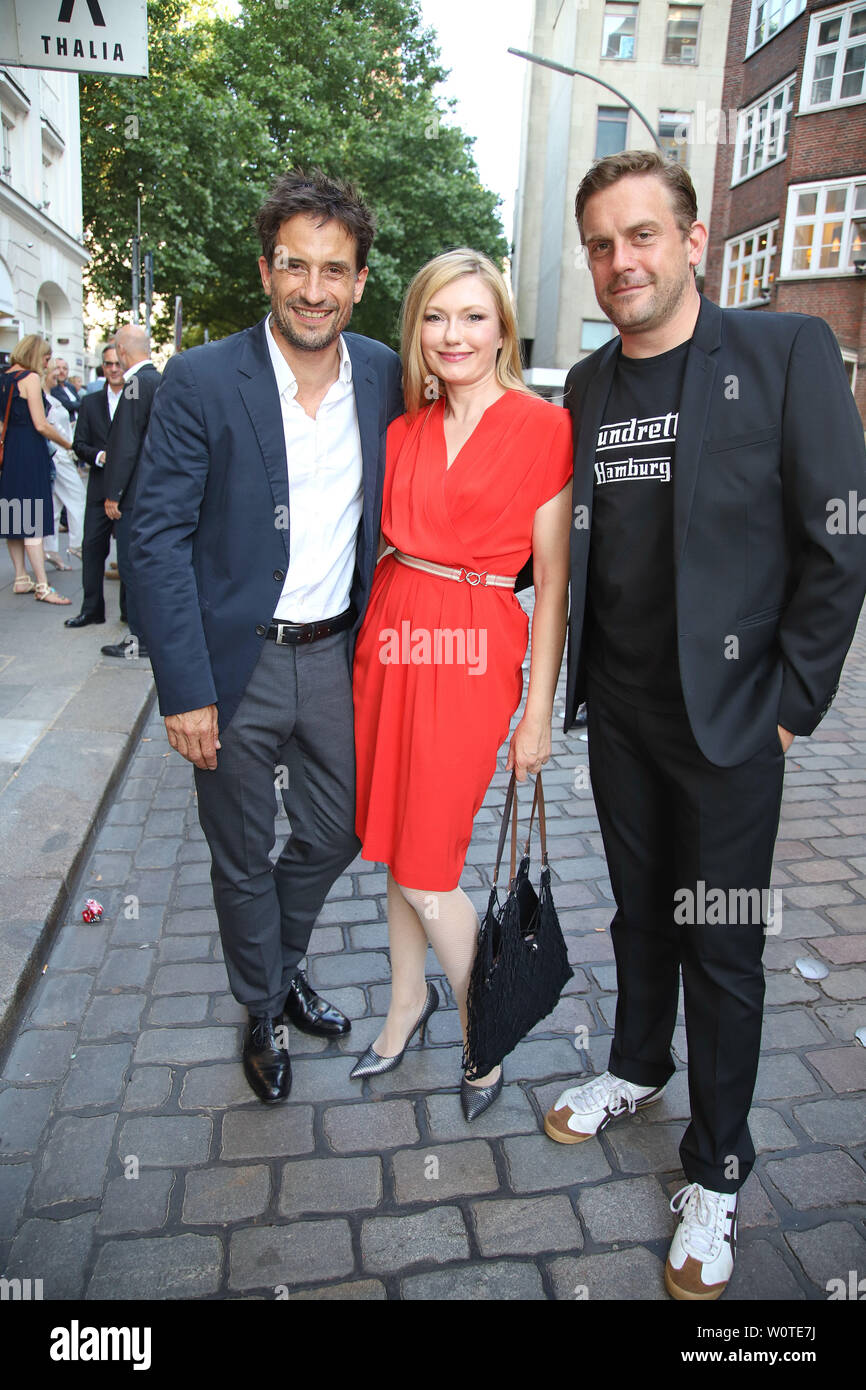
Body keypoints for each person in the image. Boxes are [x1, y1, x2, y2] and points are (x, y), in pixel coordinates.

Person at [545, 150, 866, 1300]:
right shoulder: (582, 388)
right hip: (622, 715)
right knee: (640, 910)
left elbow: (840, 536)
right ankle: (635, 1063)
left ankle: (716, 1170)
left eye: (640, 235)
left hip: (733, 724)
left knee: (719, 944)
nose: (618, 260)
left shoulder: (782, 355)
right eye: (598, 243)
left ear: (690, 242)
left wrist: (790, 707)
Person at [129, 169, 403, 1104]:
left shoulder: (383, 375)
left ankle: (279, 970)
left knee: (340, 830)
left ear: (361, 280)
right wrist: (184, 687)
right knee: (241, 853)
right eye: (296, 265)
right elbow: (154, 535)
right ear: (266, 271)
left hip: (335, 656)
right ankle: (262, 1004)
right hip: (233, 665)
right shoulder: (202, 379)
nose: (314, 288)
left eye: (335, 269)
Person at [351, 250, 572, 1120]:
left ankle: (490, 1025)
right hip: (391, 639)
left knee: (429, 862)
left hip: (475, 649)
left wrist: (537, 710)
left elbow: (552, 581)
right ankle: (408, 1005)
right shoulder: (403, 428)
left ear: (502, 328)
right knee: (399, 847)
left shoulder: (543, 427)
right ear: (418, 329)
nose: (454, 335)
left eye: (474, 317)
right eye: (437, 317)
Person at [100, 326, 161, 660]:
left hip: (135, 496)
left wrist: (115, 493)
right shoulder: (157, 380)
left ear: (122, 350)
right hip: (151, 492)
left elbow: (126, 445)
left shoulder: (136, 384)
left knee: (133, 568)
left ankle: (139, 640)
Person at [0, 335, 73, 605]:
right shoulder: (29, 378)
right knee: (32, 522)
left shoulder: (4, 378)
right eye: (45, 358)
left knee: (14, 516)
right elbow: (41, 424)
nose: (47, 364)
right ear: (35, 355)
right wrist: (68, 443)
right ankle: (42, 585)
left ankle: (21, 578)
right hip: (30, 452)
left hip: (10, 454)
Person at [65, 343, 127, 628]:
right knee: (91, 548)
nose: (113, 369)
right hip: (99, 488)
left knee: (129, 554)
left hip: (128, 490)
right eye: (107, 364)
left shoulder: (135, 396)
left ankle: (130, 613)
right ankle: (92, 610)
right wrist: (100, 456)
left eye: (117, 363)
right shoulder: (90, 402)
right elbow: (79, 445)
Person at [41, 356, 87, 564]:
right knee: (76, 497)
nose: (58, 373)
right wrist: (70, 446)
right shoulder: (43, 397)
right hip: (56, 454)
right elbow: (45, 427)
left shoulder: (54, 394)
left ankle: (49, 550)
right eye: (54, 369)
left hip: (58, 454)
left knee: (54, 503)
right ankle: (74, 545)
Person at [51, 358, 83, 422]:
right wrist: (82, 405)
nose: (61, 371)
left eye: (64, 368)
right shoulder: (52, 387)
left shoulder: (70, 387)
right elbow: (67, 405)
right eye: (58, 368)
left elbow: (80, 403)